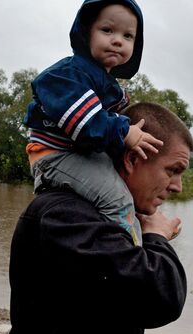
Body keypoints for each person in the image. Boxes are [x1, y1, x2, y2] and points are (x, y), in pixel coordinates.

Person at [9, 102, 193, 334]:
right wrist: (156, 237)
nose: (178, 187)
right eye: (172, 170)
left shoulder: (101, 216)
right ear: (133, 159)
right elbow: (161, 298)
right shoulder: (66, 215)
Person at [24, 0, 162, 246]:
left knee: (123, 188)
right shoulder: (68, 75)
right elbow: (85, 124)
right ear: (87, 32)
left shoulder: (107, 83)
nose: (118, 40)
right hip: (56, 155)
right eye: (107, 30)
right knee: (118, 200)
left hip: (78, 153)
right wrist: (124, 132)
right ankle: (131, 257)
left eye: (128, 35)